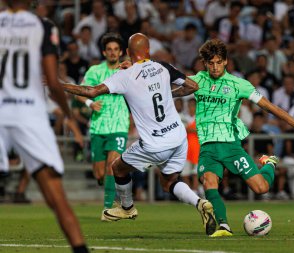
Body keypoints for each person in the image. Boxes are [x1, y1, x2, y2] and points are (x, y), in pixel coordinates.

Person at [62, 33, 217, 235]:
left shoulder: (125, 75)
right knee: (168, 181)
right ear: (148, 50)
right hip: (178, 137)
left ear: (127, 53)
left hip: (155, 143)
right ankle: (200, 203)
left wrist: (59, 84)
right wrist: (168, 93)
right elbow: (192, 86)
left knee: (117, 167)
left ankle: (127, 208)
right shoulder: (162, 66)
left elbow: (91, 92)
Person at [183, 39, 294, 237]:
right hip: (208, 147)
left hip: (231, 146)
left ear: (226, 61)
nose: (214, 67)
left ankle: (269, 162)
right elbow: (171, 90)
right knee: (209, 183)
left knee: (261, 188)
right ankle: (224, 226)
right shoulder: (197, 81)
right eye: (210, 63)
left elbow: (268, 106)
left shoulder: (239, 85)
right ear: (204, 63)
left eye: (218, 62)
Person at [0, 1, 89, 252]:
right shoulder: (41, 26)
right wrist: (69, 114)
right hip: (28, 113)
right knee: (56, 197)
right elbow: (52, 80)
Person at [74, 33, 130, 221]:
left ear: (121, 52)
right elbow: (80, 93)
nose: (113, 53)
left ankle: (108, 209)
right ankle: (108, 189)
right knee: (99, 173)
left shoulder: (126, 71)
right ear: (104, 52)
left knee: (111, 167)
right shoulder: (94, 71)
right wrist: (90, 104)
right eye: (109, 50)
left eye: (116, 49)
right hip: (98, 127)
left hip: (119, 126)